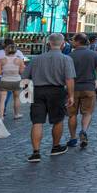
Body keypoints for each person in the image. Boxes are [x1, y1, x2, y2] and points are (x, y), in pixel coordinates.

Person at [24, 33, 76, 162]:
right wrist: (71, 96)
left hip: (37, 91)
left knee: (37, 122)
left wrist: (26, 95)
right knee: (58, 120)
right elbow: (69, 79)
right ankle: (55, 147)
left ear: (49, 43)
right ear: (63, 44)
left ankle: (36, 152)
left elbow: (25, 77)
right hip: (57, 91)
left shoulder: (36, 59)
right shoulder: (66, 59)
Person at [67, 34, 97, 149]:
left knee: (72, 114)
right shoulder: (93, 55)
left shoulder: (70, 56)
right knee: (87, 112)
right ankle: (83, 131)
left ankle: (72, 138)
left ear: (77, 42)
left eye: (73, 40)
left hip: (73, 89)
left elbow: (66, 75)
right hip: (89, 88)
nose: (72, 42)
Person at [0, 40, 28, 120]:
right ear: (15, 51)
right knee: (16, 98)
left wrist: (5, 71)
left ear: (6, 50)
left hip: (4, 81)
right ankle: (16, 114)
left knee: (2, 100)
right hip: (16, 81)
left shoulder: (2, 60)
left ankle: (1, 116)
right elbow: (21, 72)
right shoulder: (19, 60)